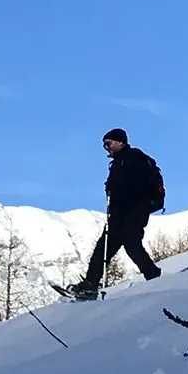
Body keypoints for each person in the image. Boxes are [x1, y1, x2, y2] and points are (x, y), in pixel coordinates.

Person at [66, 128, 163, 299]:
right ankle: (90, 285)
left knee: (130, 244)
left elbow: (134, 186)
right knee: (105, 246)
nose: (106, 148)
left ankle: (154, 277)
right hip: (120, 214)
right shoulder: (119, 162)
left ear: (120, 142)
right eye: (105, 145)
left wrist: (116, 190)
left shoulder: (134, 157)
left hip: (134, 211)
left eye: (108, 144)